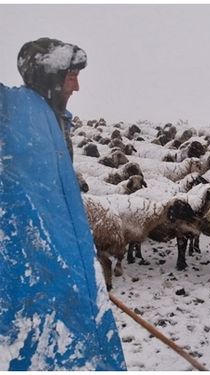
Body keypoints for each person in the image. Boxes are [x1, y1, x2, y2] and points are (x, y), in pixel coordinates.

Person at [0, 38, 126, 370]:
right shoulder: (11, 108)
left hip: (68, 256)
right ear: (49, 76)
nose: (78, 86)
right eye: (72, 76)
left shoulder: (56, 120)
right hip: (26, 263)